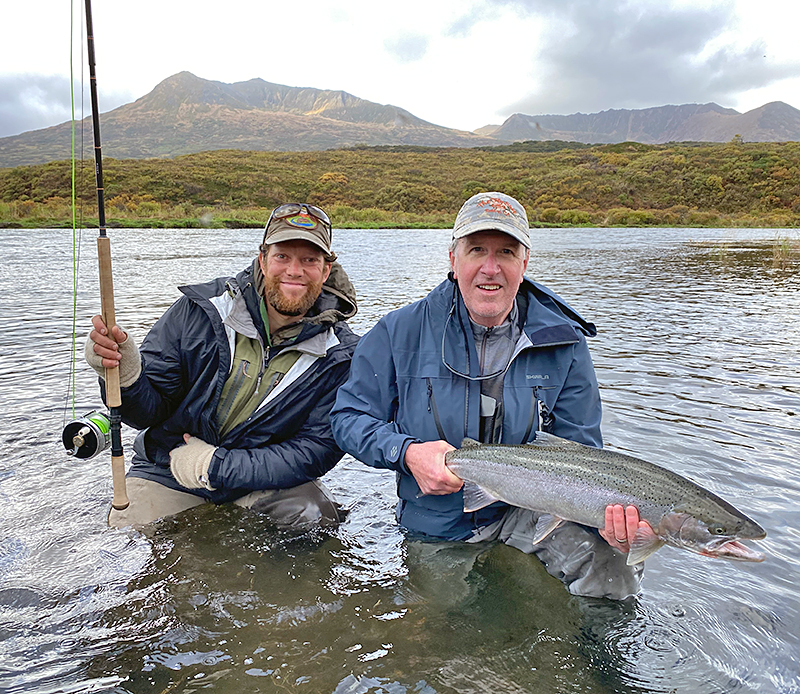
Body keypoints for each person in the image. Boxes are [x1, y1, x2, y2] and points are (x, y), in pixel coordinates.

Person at [330, 192, 649, 600]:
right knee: (443, 637)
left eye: (506, 252)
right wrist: (407, 453)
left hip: (532, 516)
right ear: (453, 259)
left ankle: (594, 657)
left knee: (614, 565)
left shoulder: (564, 343)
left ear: (525, 263)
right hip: (438, 523)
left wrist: (607, 520)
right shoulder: (398, 332)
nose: (490, 268)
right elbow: (348, 418)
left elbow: (581, 452)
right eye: (477, 249)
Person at [86, 203, 359, 530]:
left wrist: (215, 465)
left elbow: (312, 453)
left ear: (326, 270)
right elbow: (144, 414)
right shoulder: (200, 311)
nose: (294, 270)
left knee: (315, 518)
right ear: (263, 259)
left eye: (309, 260)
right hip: (168, 469)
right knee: (124, 536)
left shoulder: (341, 354)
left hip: (258, 480)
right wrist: (126, 375)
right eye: (282, 256)